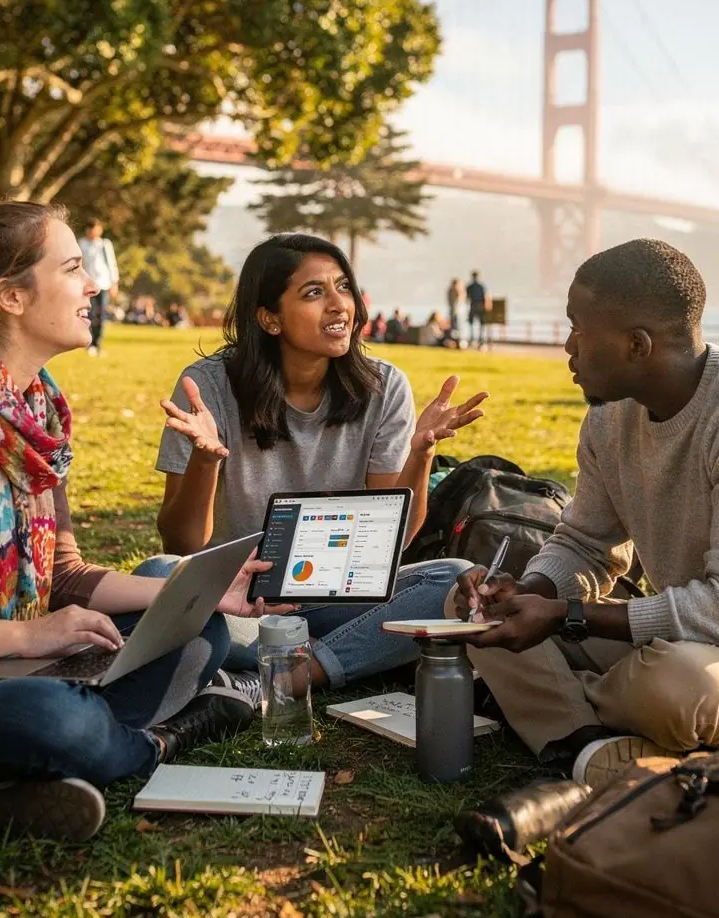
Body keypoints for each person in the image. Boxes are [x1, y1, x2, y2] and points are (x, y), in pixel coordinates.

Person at [0, 203, 283, 842]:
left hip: (3, 666)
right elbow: (36, 626)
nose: (94, 284)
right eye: (72, 268)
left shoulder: (36, 415)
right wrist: (27, 639)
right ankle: (153, 744)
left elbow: (63, 574)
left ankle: (0, 783)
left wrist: (192, 594)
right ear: (9, 296)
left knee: (201, 635)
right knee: (61, 720)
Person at [451, 238, 719, 793]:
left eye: (578, 329)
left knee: (674, 686)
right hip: (680, 637)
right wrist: (528, 590)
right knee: (471, 608)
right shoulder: (609, 422)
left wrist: (563, 616)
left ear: (637, 345)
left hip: (711, 655)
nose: (568, 346)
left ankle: (561, 704)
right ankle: (586, 746)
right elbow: (585, 544)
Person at [156, 233, 488, 693]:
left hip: (344, 593)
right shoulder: (207, 386)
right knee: (156, 577)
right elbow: (181, 541)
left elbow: (396, 540)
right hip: (239, 600)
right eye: (315, 293)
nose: (339, 305)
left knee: (452, 581)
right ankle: (351, 651)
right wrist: (205, 461)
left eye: (343, 287)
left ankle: (290, 675)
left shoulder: (384, 387)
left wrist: (421, 454)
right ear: (270, 319)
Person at [78, 218, 119, 355]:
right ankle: (89, 343)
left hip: (103, 284)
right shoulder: (82, 244)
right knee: (88, 314)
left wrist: (114, 283)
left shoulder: (104, 244)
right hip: (87, 285)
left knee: (101, 315)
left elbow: (111, 264)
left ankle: (97, 343)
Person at [467, 270, 489, 348]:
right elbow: (485, 297)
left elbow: (467, 297)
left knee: (472, 323)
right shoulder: (481, 286)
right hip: (479, 306)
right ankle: (480, 339)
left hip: (474, 306)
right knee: (480, 324)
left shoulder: (470, 286)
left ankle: (473, 339)